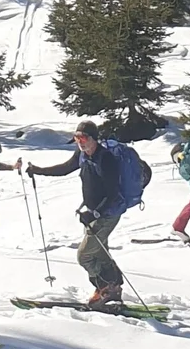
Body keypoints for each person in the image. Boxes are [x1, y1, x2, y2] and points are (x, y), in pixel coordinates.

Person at [26, 119, 128, 305]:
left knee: (85, 255)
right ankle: (112, 288)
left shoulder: (105, 158)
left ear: (93, 138)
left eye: (83, 137)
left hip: (108, 213)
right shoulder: (82, 155)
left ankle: (105, 287)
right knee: (99, 252)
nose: (79, 141)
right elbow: (65, 168)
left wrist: (96, 213)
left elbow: (113, 193)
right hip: (93, 213)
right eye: (76, 137)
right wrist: (38, 170)